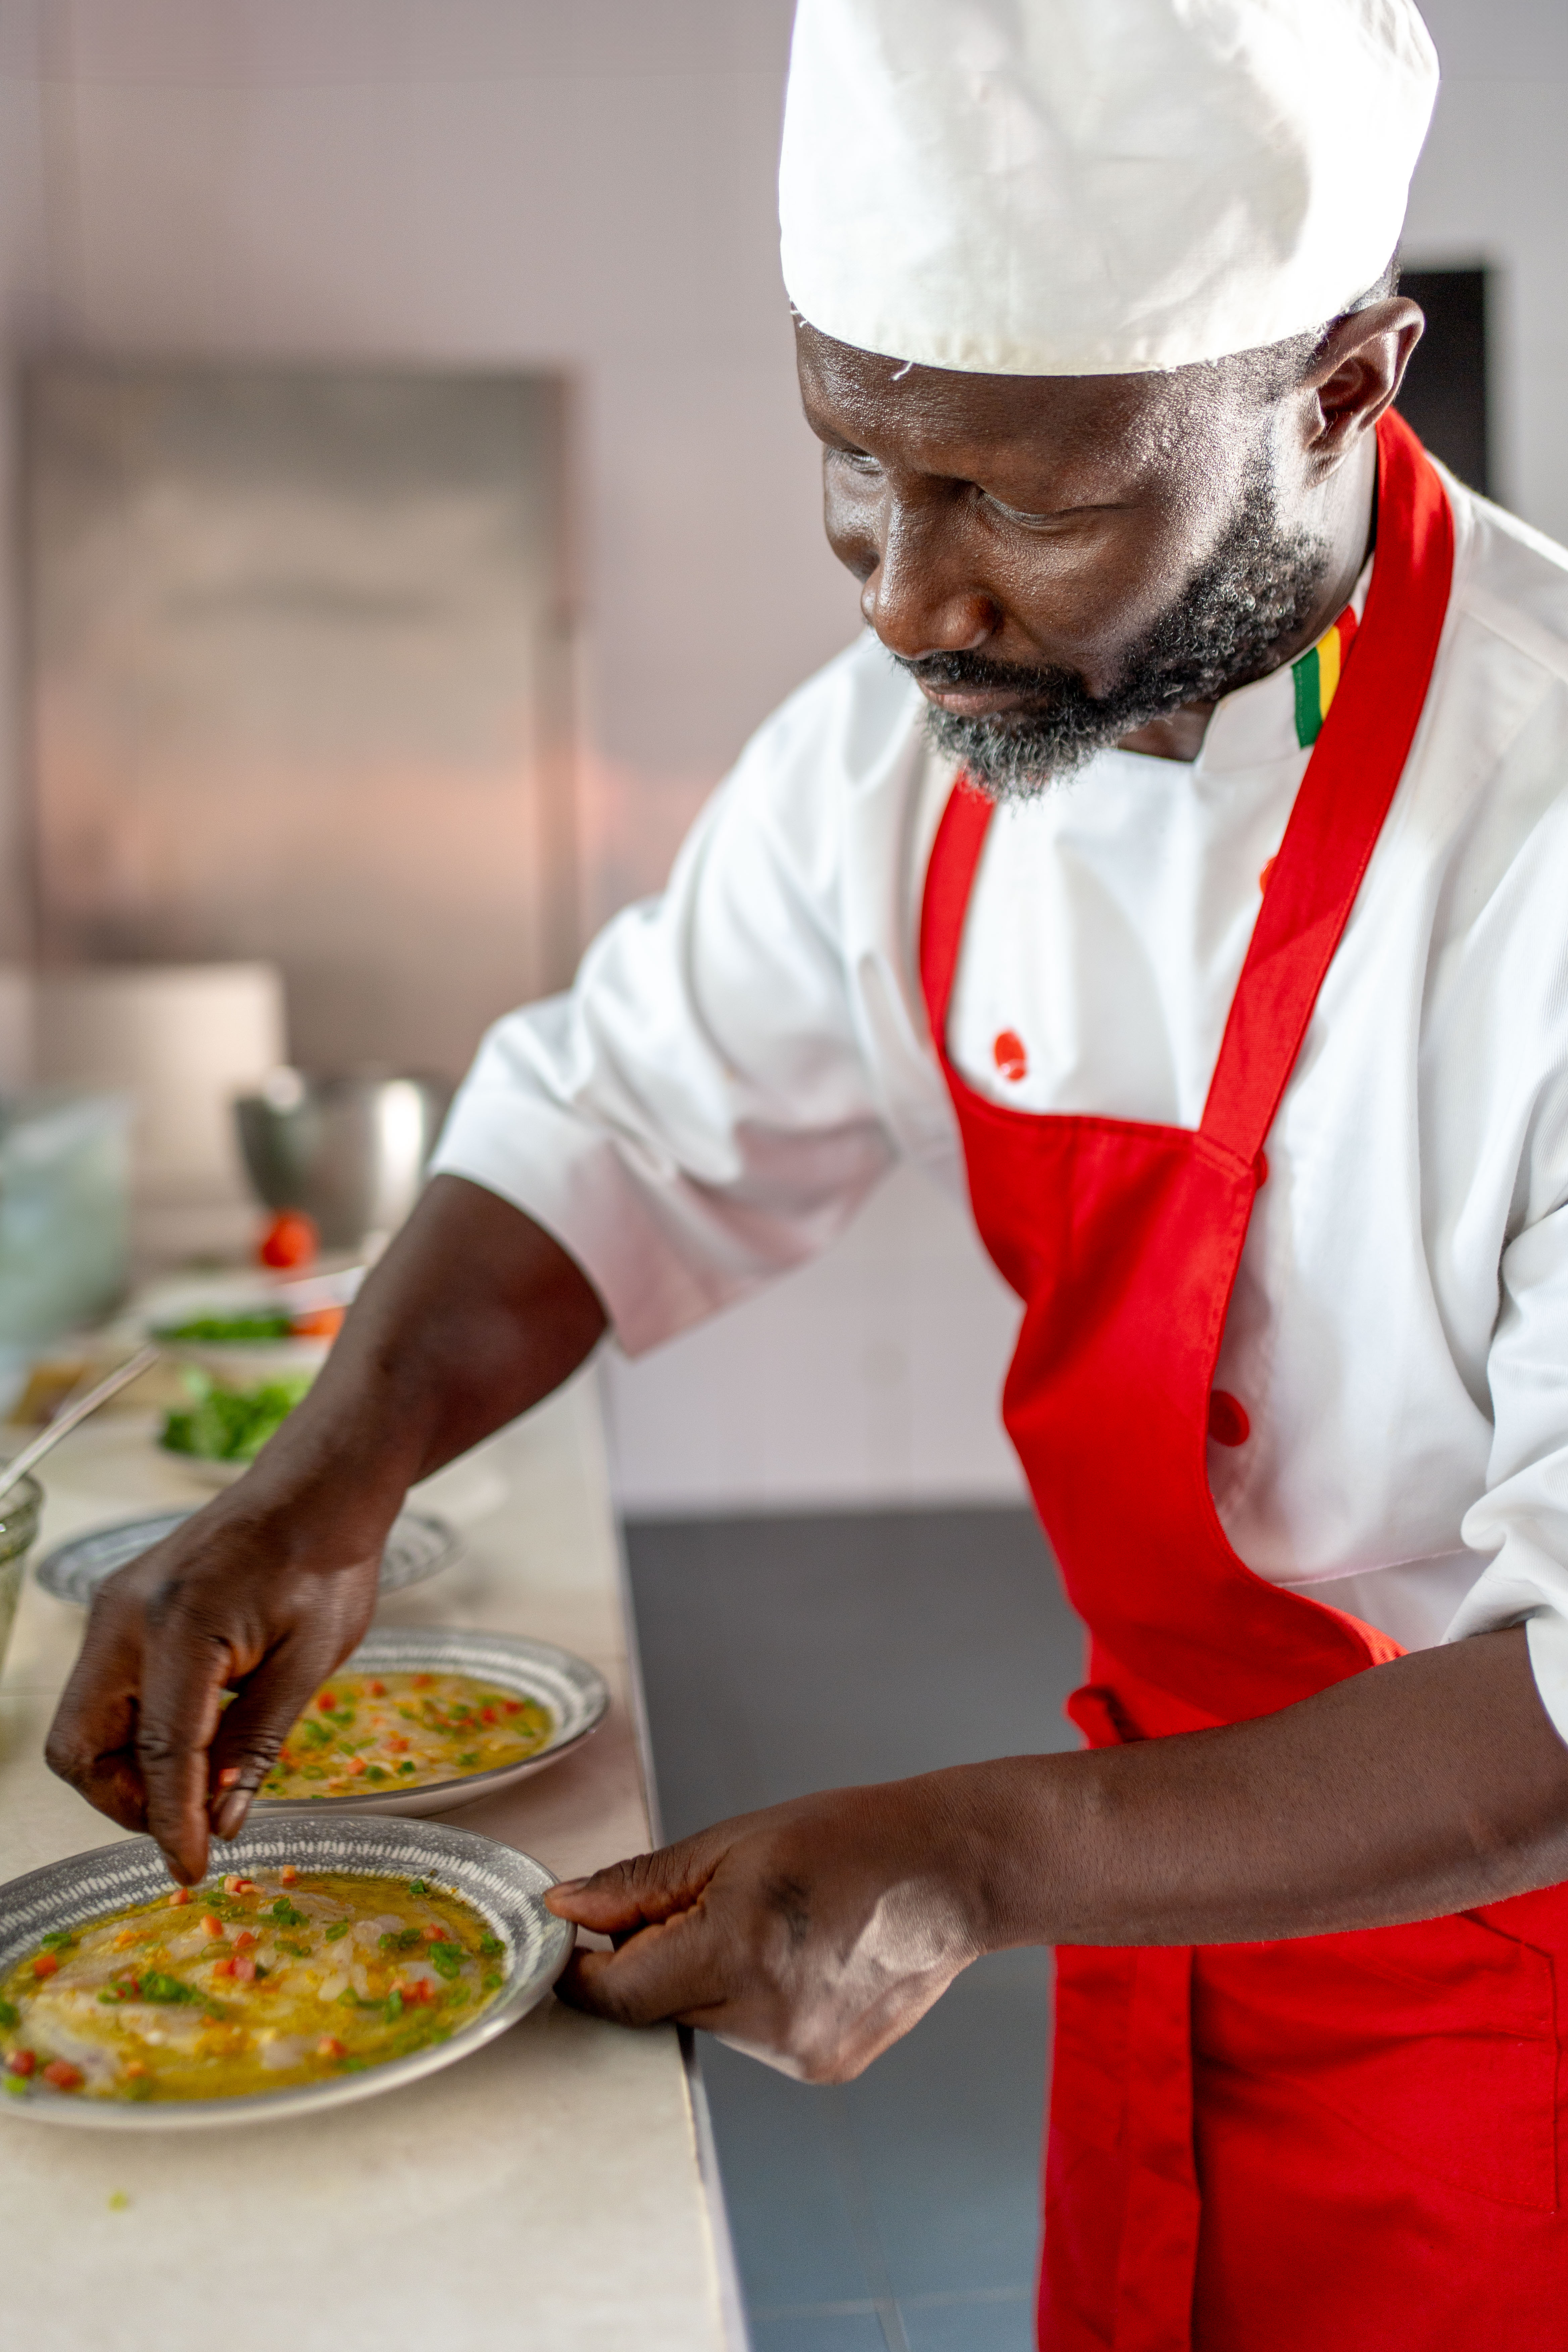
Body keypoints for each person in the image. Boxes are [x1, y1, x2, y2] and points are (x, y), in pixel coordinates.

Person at [46, 1, 1568, 2341]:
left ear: (1347, 389)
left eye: (1029, 506)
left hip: (1515, 1983)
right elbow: (618, 1113)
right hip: (1163, 1921)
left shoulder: (1541, 841)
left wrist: (972, 1858)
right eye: (852, 461)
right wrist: (316, 1490)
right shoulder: (910, 748)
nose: (900, 596)